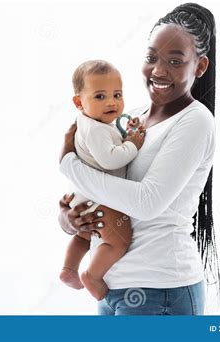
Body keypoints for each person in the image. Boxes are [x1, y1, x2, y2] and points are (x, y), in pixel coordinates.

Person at [58, 3, 220, 315]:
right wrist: (70, 219)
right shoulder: (128, 120)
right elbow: (103, 185)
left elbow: (147, 203)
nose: (159, 70)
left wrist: (69, 165)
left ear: (199, 67)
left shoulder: (195, 121)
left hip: (160, 292)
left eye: (175, 61)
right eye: (151, 58)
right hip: (110, 287)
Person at [60, 60, 146, 300]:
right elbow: (110, 159)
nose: (111, 102)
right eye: (100, 96)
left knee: (83, 235)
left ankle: (69, 269)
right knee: (118, 241)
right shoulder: (96, 129)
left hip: (82, 196)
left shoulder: (90, 123)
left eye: (117, 95)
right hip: (100, 200)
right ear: (79, 102)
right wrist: (133, 143)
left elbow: (110, 138)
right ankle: (93, 275)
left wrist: (127, 130)